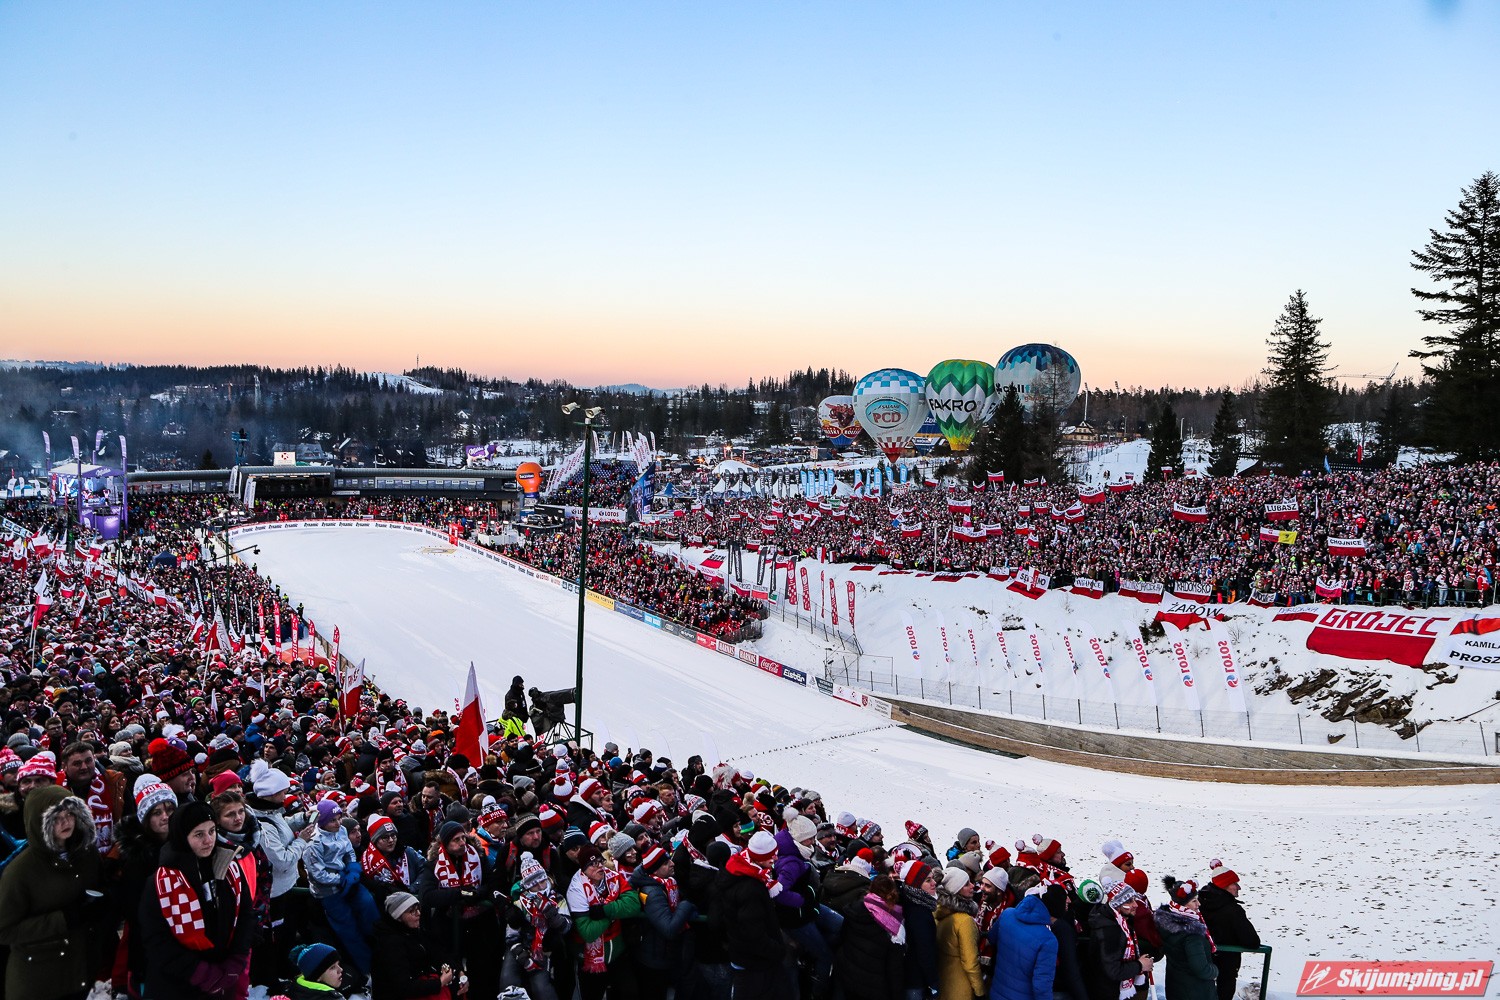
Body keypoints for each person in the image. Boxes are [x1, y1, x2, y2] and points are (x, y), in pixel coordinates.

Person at [138, 799, 256, 1000]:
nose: (209, 840)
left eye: (212, 831)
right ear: (183, 836)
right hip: (177, 986)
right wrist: (200, 973)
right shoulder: (162, 881)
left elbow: (246, 915)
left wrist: (236, 961)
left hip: (222, 980)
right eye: (199, 834)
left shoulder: (229, 868)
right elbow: (156, 939)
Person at [0, 785, 106, 1000]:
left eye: (70, 814)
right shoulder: (20, 871)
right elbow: (5, 930)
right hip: (38, 981)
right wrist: (63, 919)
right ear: (40, 823)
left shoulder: (86, 854)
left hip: (82, 973)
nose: (66, 822)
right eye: (56, 817)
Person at [416, 820, 503, 1000]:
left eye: (463, 837)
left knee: (483, 971)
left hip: (479, 923)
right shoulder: (434, 864)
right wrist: (459, 893)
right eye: (456, 840)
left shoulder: (478, 855)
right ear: (445, 843)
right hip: (449, 926)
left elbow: (490, 882)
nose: (462, 842)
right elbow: (427, 896)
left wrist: (477, 893)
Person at [107, 773, 177, 997]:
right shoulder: (137, 858)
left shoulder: (184, 846)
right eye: (157, 813)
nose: (165, 817)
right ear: (146, 818)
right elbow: (134, 910)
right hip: (149, 945)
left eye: (170, 810)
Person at [244, 759, 313, 987]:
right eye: (283, 792)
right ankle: (273, 976)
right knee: (279, 935)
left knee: (289, 931)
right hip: (275, 894)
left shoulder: (270, 812)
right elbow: (282, 861)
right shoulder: (262, 825)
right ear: (271, 794)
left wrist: (301, 819)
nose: (286, 795)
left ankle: (284, 966)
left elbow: (282, 824)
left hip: (286, 886)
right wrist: (302, 841)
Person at [307, 797, 380, 980]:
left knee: (368, 905)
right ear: (322, 822)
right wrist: (340, 879)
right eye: (333, 820)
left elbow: (349, 851)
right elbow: (318, 874)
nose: (338, 823)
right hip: (329, 891)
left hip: (349, 880)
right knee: (349, 931)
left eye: (339, 818)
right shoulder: (314, 842)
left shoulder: (341, 830)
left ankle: (381, 949)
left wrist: (353, 868)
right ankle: (368, 970)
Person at [566, 840, 643, 1000]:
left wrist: (605, 910)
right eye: (593, 864)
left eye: (600, 861)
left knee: (630, 993)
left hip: (618, 952)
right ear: (583, 868)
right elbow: (588, 932)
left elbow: (634, 905)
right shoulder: (576, 889)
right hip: (588, 959)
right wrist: (615, 914)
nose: (599, 867)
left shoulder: (613, 877)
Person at [722, 831, 788, 1000]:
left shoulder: (741, 869)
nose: (775, 859)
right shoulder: (751, 889)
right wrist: (778, 950)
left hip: (746, 956)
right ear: (758, 857)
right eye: (770, 856)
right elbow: (752, 933)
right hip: (754, 963)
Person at [630, 845, 698, 1000]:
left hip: (663, 954)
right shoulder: (653, 892)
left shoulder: (667, 883)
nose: (672, 864)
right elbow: (668, 929)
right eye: (666, 863)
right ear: (655, 870)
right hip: (655, 958)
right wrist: (685, 905)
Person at [373, 890, 464, 1000]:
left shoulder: (415, 931)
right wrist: (439, 982)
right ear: (398, 917)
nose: (418, 913)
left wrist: (459, 972)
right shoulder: (390, 944)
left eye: (418, 909)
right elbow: (403, 987)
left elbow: (438, 954)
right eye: (412, 911)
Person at [503, 853, 568, 1000]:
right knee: (508, 979)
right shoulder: (519, 903)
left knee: (541, 987)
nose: (540, 887)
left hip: (544, 949)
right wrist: (522, 955)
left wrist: (551, 914)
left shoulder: (557, 899)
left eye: (542, 881)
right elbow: (511, 935)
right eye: (534, 884)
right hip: (521, 946)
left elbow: (566, 927)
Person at [834, 874, 906, 1000]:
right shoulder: (894, 926)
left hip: (848, 978)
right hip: (874, 988)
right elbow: (894, 968)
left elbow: (841, 939)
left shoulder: (855, 909)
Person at [1196, 863, 1257, 1000]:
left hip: (1200, 962)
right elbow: (1252, 941)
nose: (1239, 887)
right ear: (1224, 886)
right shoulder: (1233, 911)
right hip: (1227, 966)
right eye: (1234, 883)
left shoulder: (1197, 904)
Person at [1088, 882, 1153, 1000]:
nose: (1136, 905)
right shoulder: (1110, 931)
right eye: (1129, 901)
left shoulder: (1121, 921)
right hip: (1109, 993)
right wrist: (1140, 965)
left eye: (1134, 899)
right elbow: (1113, 971)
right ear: (1117, 904)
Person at [987, 891, 1057, 1000]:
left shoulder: (1007, 914)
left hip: (997, 992)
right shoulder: (1048, 940)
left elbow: (991, 938)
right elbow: (1041, 986)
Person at [1154, 879, 1217, 1000]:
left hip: (1175, 987)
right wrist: (1214, 971)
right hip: (1197, 991)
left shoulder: (1166, 925)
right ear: (1182, 905)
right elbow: (1201, 969)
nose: (1199, 904)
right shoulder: (1192, 934)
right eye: (1194, 901)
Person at [934, 869, 982, 1000]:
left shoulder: (939, 913)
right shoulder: (964, 921)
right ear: (956, 890)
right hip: (961, 988)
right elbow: (970, 962)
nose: (972, 886)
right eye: (966, 884)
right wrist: (980, 990)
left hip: (944, 984)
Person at [895, 860, 940, 1000]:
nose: (934, 883)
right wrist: (932, 982)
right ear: (916, 885)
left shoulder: (910, 902)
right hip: (915, 980)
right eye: (928, 880)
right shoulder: (919, 912)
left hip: (910, 976)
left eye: (932, 878)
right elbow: (924, 950)